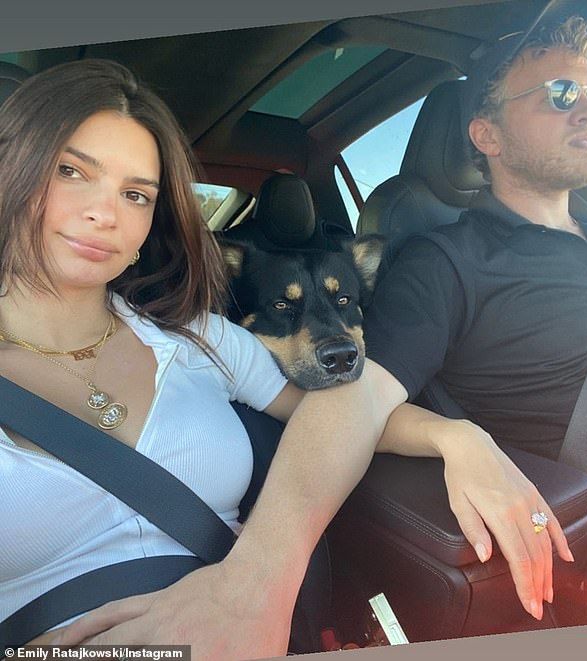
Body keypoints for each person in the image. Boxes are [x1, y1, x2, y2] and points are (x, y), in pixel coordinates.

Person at [1, 56, 537, 659]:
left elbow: (337, 408)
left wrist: (458, 437)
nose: (105, 213)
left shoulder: (194, 338)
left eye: (135, 194)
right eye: (71, 171)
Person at [362, 0, 587, 622]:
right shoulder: (446, 261)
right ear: (486, 135)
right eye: (561, 93)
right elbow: (355, 410)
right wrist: (455, 438)